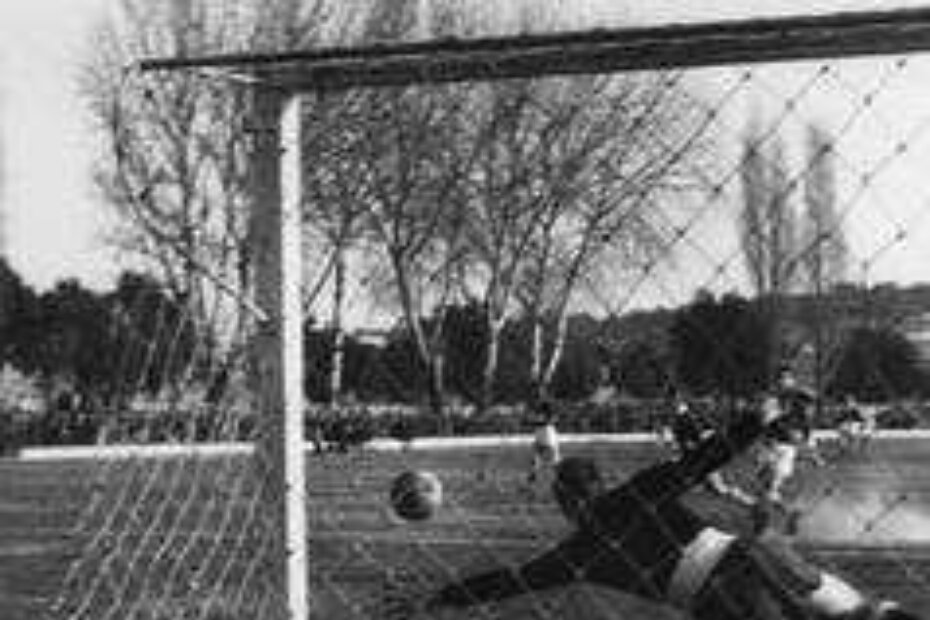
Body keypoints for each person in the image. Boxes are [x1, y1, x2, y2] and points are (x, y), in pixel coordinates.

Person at [383, 403, 921, 620]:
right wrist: (753, 420)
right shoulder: (635, 493)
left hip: (721, 598)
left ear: (567, 500)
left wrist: (437, 598)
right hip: (757, 554)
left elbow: (507, 582)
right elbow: (698, 461)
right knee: (859, 611)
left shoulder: (576, 555)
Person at [527, 401, 561, 485]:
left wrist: (535, 421)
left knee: (552, 461)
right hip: (543, 436)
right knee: (537, 457)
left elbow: (547, 421)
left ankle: (534, 475)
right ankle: (533, 475)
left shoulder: (547, 417)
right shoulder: (543, 416)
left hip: (546, 437)